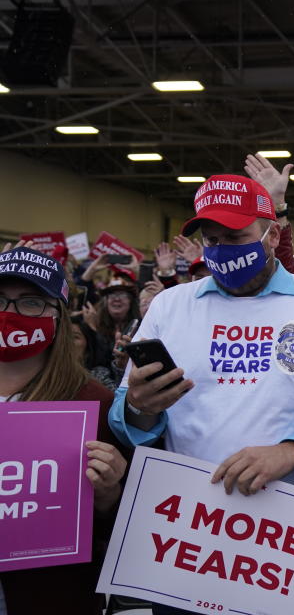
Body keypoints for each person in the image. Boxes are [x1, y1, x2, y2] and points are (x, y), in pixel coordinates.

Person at [107, 175, 294, 614]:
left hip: (290, 536)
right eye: (211, 239)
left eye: (235, 236)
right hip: (189, 535)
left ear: (271, 233)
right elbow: (126, 418)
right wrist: (139, 407)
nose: (221, 250)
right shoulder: (170, 306)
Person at [0, 245, 127, 615]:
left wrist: (109, 493)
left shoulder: (94, 403)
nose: (10, 314)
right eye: (1, 299)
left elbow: (115, 528)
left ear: (58, 315)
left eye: (30, 302)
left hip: (48, 593)